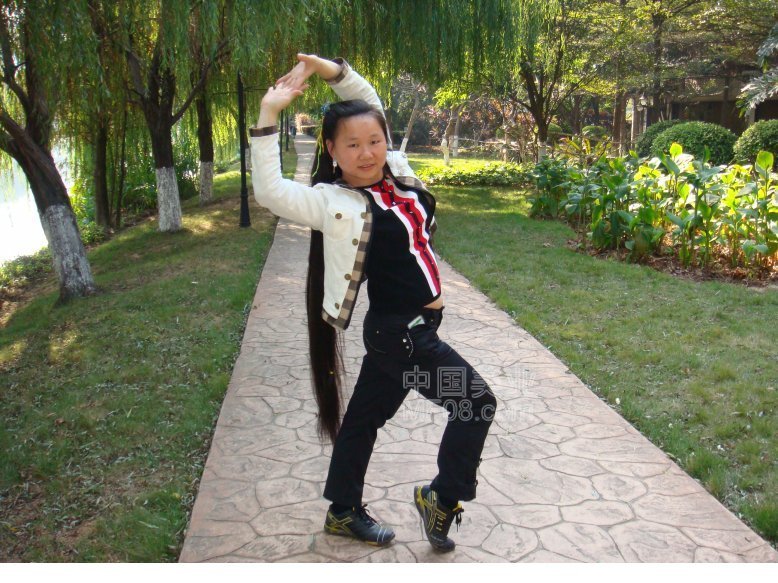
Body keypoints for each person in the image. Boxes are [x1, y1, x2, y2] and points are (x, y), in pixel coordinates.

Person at [250, 53, 496, 553]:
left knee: (363, 420)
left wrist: (327, 70)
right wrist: (269, 113)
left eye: (375, 141)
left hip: (400, 334)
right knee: (475, 403)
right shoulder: (331, 201)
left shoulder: (395, 173)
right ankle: (441, 497)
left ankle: (342, 511)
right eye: (353, 145)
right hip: (404, 337)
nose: (367, 153)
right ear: (331, 149)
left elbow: (369, 103)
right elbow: (270, 191)